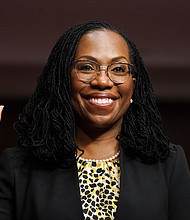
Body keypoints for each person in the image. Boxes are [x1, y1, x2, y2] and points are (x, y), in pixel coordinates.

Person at [0, 20, 190, 220]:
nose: (102, 81)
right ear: (63, 80)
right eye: (87, 67)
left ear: (133, 85)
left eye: (118, 69)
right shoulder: (18, 167)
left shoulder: (169, 163)